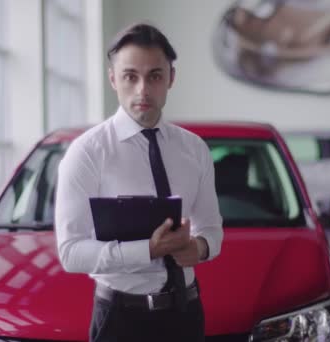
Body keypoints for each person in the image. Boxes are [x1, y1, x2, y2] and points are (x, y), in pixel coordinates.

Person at [54, 23, 223, 342]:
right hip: (121, 321)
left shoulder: (194, 149)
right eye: (131, 76)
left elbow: (212, 229)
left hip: (185, 314)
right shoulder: (87, 152)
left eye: (155, 76)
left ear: (171, 78)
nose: (143, 89)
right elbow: (71, 252)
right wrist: (148, 250)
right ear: (113, 79)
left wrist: (199, 248)